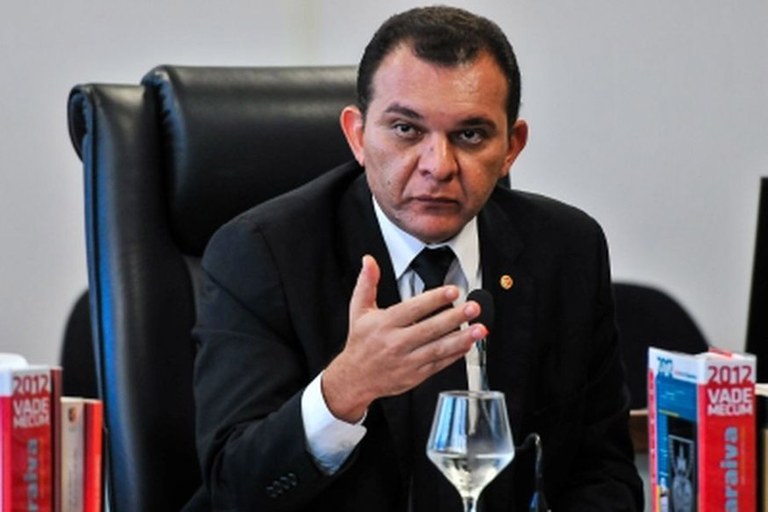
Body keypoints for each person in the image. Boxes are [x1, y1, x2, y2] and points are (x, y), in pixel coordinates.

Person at [193, 5, 644, 511]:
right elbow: (234, 488)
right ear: (358, 136)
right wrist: (345, 389)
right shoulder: (264, 253)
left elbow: (602, 472)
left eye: (470, 135)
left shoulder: (566, 250)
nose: (438, 165)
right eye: (406, 130)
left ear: (511, 147)